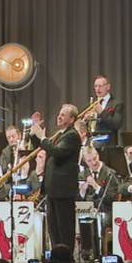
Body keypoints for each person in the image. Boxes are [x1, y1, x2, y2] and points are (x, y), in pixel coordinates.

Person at [29, 104, 83, 253]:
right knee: (54, 230)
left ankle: (65, 259)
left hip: (63, 191)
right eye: (59, 113)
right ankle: (56, 257)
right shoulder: (61, 134)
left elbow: (57, 152)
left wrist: (43, 137)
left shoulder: (72, 135)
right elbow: (45, 148)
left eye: (63, 115)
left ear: (72, 119)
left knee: (64, 230)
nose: (59, 116)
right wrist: (35, 134)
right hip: (53, 190)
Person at [86, 76, 124, 146]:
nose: (97, 89)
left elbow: (116, 124)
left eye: (100, 86)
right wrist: (86, 120)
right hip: (92, 142)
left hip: (108, 144)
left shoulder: (117, 103)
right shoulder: (93, 104)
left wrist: (102, 113)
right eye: (96, 86)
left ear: (108, 87)